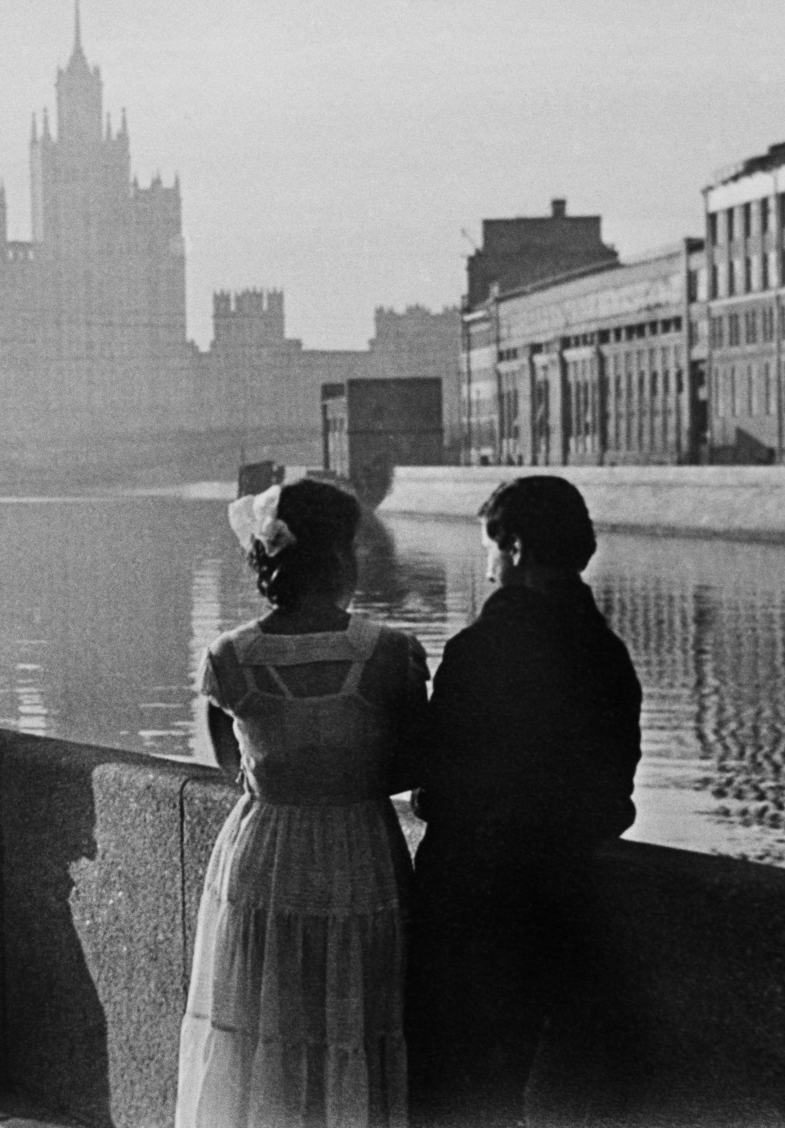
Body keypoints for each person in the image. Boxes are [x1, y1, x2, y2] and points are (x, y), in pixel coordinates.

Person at [175, 478, 427, 1128]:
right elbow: (413, 763)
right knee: (353, 1022)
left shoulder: (229, 657)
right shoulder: (390, 653)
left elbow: (234, 768)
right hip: (358, 851)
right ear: (342, 556)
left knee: (263, 1022)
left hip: (264, 855)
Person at [407, 476, 642, 1128]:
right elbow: (613, 795)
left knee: (449, 1092)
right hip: (563, 904)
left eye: (490, 549)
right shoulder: (608, 655)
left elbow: (437, 777)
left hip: (468, 905)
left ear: (515, 548)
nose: (487, 569)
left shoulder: (479, 650)